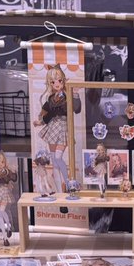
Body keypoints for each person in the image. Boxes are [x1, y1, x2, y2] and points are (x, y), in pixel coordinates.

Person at [33, 64, 81, 192]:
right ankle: (60, 191)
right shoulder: (50, 98)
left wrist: (76, 94)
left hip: (63, 127)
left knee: (58, 157)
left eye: (59, 80)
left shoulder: (68, 95)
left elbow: (77, 109)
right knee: (54, 162)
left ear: (63, 80)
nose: (57, 84)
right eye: (53, 82)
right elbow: (48, 114)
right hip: (53, 128)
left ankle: (69, 183)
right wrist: (40, 122)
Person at [0, 152, 18, 245]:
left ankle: (8, 226)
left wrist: (13, 173)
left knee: (1, 211)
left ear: (5, 162)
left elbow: (13, 178)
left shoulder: (7, 171)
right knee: (0, 214)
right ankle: (5, 238)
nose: (1, 164)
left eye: (2, 162)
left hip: (5, 192)